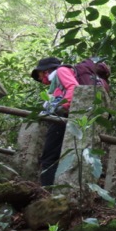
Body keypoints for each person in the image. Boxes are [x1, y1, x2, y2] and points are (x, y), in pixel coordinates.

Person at [31, 56, 80, 187]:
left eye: (39, 75)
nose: (40, 79)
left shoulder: (61, 71)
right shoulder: (56, 83)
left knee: (49, 157)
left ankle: (46, 191)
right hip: (63, 117)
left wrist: (63, 106)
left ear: (45, 71)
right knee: (54, 156)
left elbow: (73, 87)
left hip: (62, 117)